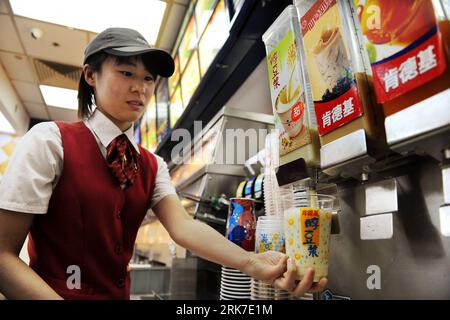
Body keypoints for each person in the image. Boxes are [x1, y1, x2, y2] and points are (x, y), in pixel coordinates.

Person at [0, 28, 327, 300]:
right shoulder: (49, 142)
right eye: (126, 73)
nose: (140, 88)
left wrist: (253, 263)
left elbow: (183, 227)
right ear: (90, 75)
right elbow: (2, 256)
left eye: (148, 78)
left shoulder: (151, 164)